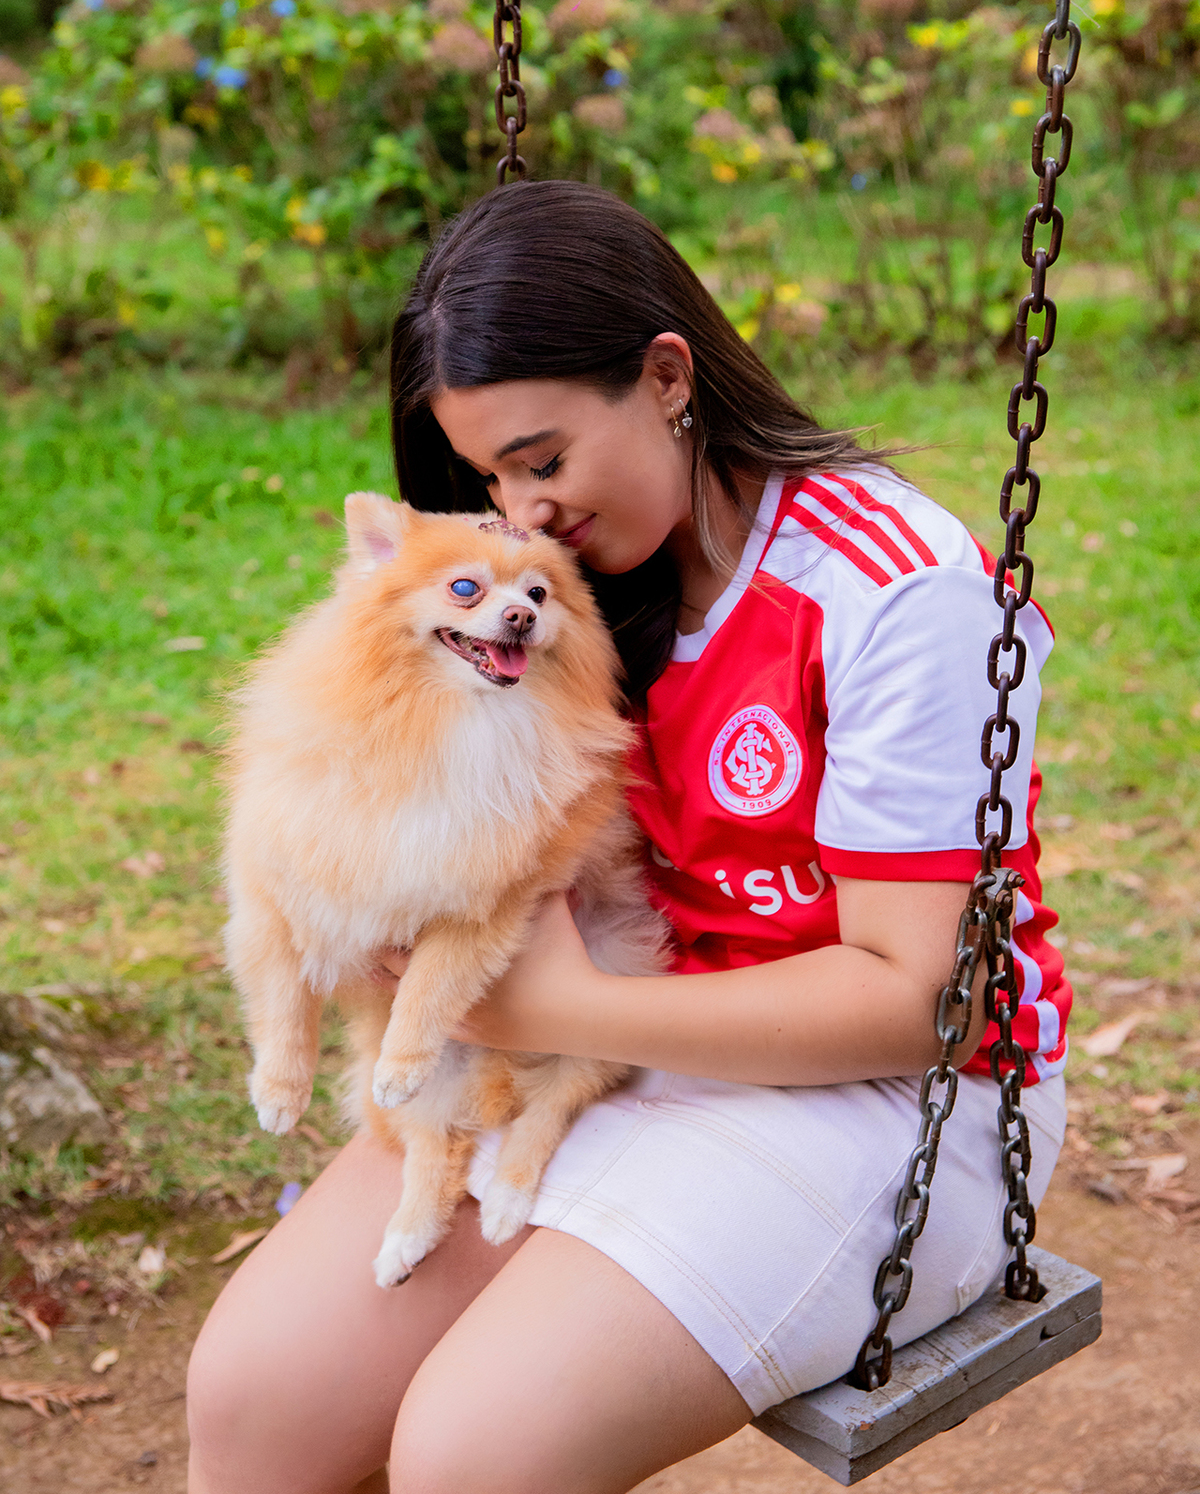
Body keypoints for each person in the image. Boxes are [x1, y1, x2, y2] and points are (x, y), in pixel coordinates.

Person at [187, 180, 1070, 1494]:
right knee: (256, 1399)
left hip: (888, 1103)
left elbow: (921, 1005)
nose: (522, 514)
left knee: (477, 1452)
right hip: (606, 1031)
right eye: (488, 475)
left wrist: (560, 1003)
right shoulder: (563, 590)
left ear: (667, 377)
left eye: (541, 461)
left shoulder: (896, 590)